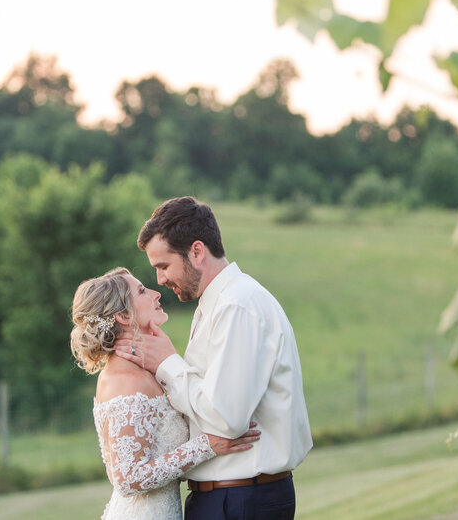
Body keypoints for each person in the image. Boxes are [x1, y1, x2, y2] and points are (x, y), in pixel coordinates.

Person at [115, 196, 313, 520]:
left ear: (196, 251)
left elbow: (227, 418)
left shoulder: (236, 306)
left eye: (163, 266)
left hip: (241, 499)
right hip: (229, 496)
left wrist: (168, 364)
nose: (160, 280)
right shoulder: (216, 305)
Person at [70, 267, 261, 520]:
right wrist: (208, 446)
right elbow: (127, 479)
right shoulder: (123, 382)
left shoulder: (145, 373)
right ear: (124, 317)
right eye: (141, 291)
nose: (155, 294)